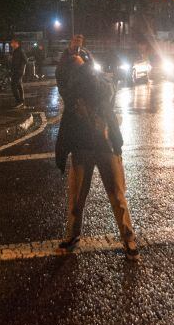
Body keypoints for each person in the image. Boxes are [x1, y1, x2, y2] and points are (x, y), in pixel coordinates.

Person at [54, 53, 138, 261]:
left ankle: (128, 238)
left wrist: (87, 65)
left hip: (105, 144)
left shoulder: (99, 80)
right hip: (82, 146)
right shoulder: (71, 86)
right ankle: (73, 236)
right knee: (77, 197)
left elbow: (106, 90)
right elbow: (64, 89)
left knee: (117, 195)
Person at [9, 39, 28, 108]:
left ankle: (19, 101)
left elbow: (26, 60)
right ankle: (21, 101)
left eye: (12, 43)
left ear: (17, 43)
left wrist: (21, 68)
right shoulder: (16, 51)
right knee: (19, 86)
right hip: (16, 71)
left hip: (18, 72)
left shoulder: (20, 50)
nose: (11, 44)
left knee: (13, 86)